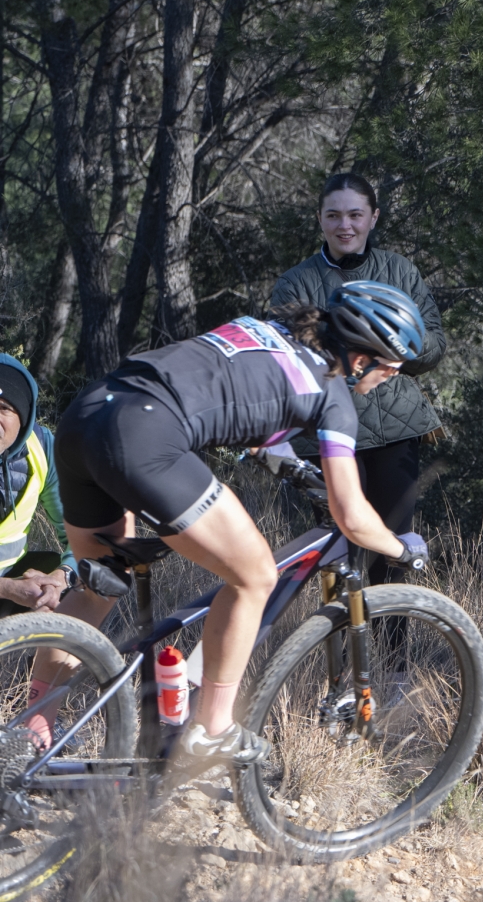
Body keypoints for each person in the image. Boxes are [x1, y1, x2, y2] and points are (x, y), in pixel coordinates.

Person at [40, 281, 432, 764]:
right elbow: (351, 516)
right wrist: (401, 547)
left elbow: (235, 399)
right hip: (145, 435)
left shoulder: (266, 332)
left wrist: (289, 465)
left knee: (96, 587)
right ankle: (213, 728)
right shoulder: (334, 397)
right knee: (255, 574)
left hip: (88, 414)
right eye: (391, 368)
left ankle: (33, 729)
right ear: (361, 359)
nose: (390, 378)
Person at [270, 172, 446, 580]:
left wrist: (400, 354)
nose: (344, 225)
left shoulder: (400, 271)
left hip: (397, 432)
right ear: (320, 219)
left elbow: (434, 342)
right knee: (339, 551)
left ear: (373, 217)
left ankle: (392, 647)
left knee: (394, 551)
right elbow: (290, 357)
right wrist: (362, 357)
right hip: (325, 433)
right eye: (334, 215)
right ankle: (342, 643)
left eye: (355, 214)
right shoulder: (295, 282)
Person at [0, 354, 76, 616]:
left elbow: (82, 536)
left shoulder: (42, 449)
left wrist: (59, 579)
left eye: (4, 408)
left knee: (81, 583)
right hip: (6, 587)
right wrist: (7, 588)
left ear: (23, 418)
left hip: (12, 580)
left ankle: (54, 658)